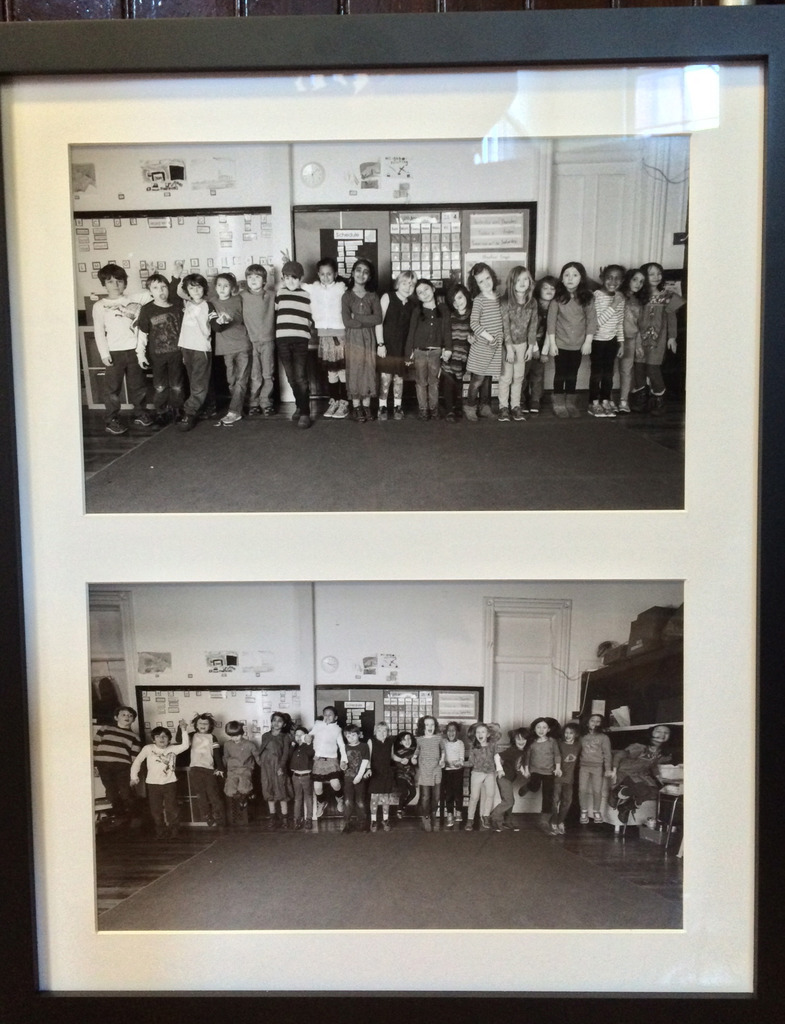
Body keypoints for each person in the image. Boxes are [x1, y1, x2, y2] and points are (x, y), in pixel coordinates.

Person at [92, 263, 155, 435]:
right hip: (114, 352)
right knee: (112, 390)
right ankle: (111, 419)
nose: (115, 285)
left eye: (119, 281)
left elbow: (152, 293)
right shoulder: (99, 306)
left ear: (125, 283)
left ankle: (140, 414)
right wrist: (104, 354)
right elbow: (99, 332)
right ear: (104, 284)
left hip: (134, 351)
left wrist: (152, 275)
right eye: (110, 281)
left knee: (138, 386)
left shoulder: (133, 298)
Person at [545, 261, 598, 418]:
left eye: (575, 275)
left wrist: (588, 342)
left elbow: (592, 320)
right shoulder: (557, 298)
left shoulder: (587, 298)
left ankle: (570, 402)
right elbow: (551, 322)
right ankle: (558, 403)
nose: (570, 278)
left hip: (578, 344)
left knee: (572, 374)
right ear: (562, 279)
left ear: (581, 278)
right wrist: (552, 344)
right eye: (566, 275)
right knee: (560, 373)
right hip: (560, 343)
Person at [135, 267, 184, 426]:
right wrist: (140, 355)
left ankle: (177, 410)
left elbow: (185, 331)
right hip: (157, 356)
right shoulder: (147, 309)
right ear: (150, 292)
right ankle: (161, 411)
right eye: (155, 288)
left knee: (177, 385)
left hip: (177, 354)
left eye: (163, 287)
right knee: (160, 386)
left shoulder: (177, 305)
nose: (161, 291)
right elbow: (142, 334)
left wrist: (186, 353)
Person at [630, 262, 679, 415]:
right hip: (639, 339)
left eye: (659, 273)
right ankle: (641, 398)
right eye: (651, 274)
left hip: (658, 340)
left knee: (652, 368)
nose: (656, 277)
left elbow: (672, 318)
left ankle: (659, 399)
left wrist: (672, 337)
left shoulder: (667, 296)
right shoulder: (637, 296)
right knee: (639, 367)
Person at [303, 257, 349, 419]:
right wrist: (288, 264)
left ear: (335, 274)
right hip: (324, 335)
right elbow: (297, 284)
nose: (325, 277)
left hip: (340, 334)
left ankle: (344, 402)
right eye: (322, 274)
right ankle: (334, 400)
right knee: (331, 371)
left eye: (329, 274)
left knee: (342, 370)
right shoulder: (314, 288)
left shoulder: (342, 288)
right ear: (318, 274)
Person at [129, 720, 190, 839]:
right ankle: (160, 831)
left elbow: (185, 745)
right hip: (153, 784)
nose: (161, 739)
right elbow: (137, 762)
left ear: (169, 739)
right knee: (156, 810)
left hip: (170, 783)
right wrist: (134, 777)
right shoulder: (148, 748)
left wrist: (183, 729)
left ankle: (174, 830)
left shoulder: (173, 749)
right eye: (158, 736)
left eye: (165, 736)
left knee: (172, 808)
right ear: (153, 740)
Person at [341, 258, 382, 422]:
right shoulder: (347, 296)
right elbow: (347, 322)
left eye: (366, 272)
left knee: (368, 368)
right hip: (353, 338)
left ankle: (367, 406)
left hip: (369, 338)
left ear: (369, 277)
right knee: (355, 369)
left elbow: (377, 319)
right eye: (358, 270)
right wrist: (366, 320)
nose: (361, 274)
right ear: (352, 273)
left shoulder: (373, 296)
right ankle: (357, 406)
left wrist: (356, 317)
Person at [275, 260, 314, 429]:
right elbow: (275, 313)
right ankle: (300, 405)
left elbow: (313, 317)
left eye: (294, 278)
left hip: (300, 341)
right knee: (291, 377)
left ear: (301, 278)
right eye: (287, 277)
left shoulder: (308, 295)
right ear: (283, 278)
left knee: (300, 377)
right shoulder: (280, 293)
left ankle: (305, 413)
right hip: (283, 340)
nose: (290, 281)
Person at [404, 279, 451, 420]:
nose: (424, 294)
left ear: (433, 289)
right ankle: (423, 409)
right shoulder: (417, 311)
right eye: (420, 292)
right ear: (417, 297)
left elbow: (447, 330)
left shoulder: (443, 309)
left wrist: (448, 348)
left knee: (434, 382)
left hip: (436, 352)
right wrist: (408, 353)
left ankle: (434, 409)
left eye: (426, 289)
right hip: (419, 352)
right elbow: (411, 332)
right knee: (420, 382)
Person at [609, 724, 674, 824]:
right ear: (651, 733)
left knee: (655, 793)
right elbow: (619, 755)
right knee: (643, 790)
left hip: (642, 775)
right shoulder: (639, 747)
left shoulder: (660, 752)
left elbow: (653, 765)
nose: (662, 734)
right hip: (626, 773)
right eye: (658, 731)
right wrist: (614, 771)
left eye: (666, 732)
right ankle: (616, 792)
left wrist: (658, 776)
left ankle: (626, 807)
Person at [465, 262, 505, 421]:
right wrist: (490, 338)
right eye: (481, 281)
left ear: (492, 277)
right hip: (482, 346)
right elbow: (474, 323)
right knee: (478, 379)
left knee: (488, 378)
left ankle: (485, 407)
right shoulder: (479, 300)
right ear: (476, 285)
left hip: (495, 346)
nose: (486, 283)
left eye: (487, 278)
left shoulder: (499, 298)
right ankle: (470, 406)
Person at [176, 272, 216, 432]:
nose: (196, 291)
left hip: (201, 348)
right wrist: (178, 276)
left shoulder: (208, 305)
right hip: (186, 347)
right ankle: (208, 407)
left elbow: (216, 324)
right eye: (192, 288)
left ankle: (190, 412)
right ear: (187, 291)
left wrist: (222, 321)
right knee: (195, 380)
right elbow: (175, 292)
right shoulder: (186, 303)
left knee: (199, 382)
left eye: (199, 287)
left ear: (204, 288)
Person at [211, 272, 252, 426]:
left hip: (242, 344)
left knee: (241, 380)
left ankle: (234, 411)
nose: (222, 288)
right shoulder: (212, 302)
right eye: (219, 285)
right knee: (231, 381)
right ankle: (239, 407)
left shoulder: (239, 299)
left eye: (226, 285)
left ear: (232, 288)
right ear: (215, 287)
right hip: (225, 348)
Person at [499, 266, 539, 422]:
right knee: (506, 377)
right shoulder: (505, 302)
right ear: (512, 282)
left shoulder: (532, 302)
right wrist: (509, 349)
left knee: (519, 377)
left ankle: (515, 406)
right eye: (518, 280)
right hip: (507, 346)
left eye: (525, 279)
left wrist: (530, 347)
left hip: (523, 345)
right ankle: (503, 407)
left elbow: (533, 326)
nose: (522, 283)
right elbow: (505, 327)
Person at [376, 269, 417, 421]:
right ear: (398, 283)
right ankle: (382, 406)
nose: (408, 287)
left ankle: (397, 406)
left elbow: (412, 330)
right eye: (405, 283)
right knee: (385, 377)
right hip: (387, 346)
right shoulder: (388, 297)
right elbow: (378, 322)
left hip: (402, 347)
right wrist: (380, 344)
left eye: (411, 284)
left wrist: (410, 350)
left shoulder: (412, 305)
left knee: (399, 378)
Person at [93, 705, 141, 826]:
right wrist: (93, 765)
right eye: (123, 715)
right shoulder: (105, 729)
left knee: (126, 792)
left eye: (130, 716)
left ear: (133, 720)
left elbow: (135, 757)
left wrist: (133, 775)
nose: (127, 717)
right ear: (116, 717)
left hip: (123, 767)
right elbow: (94, 745)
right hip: (103, 765)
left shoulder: (135, 737)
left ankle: (135, 817)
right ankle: (120, 816)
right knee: (111, 792)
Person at [588, 264, 625, 418]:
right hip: (597, 340)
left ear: (622, 281)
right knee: (597, 372)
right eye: (609, 277)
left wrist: (621, 343)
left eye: (617, 278)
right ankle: (593, 402)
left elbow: (620, 322)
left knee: (609, 373)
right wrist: (614, 304)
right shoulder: (595, 296)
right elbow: (596, 322)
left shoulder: (620, 297)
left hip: (612, 341)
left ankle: (605, 400)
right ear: (602, 278)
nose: (613, 282)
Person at [241, 264, 276, 418]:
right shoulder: (242, 296)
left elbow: (282, 287)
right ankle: (253, 403)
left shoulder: (270, 295)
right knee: (255, 375)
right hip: (251, 342)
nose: (253, 280)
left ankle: (266, 402)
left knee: (268, 374)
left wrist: (275, 272)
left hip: (268, 341)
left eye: (257, 277)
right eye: (250, 277)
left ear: (264, 281)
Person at [519, 717, 562, 829]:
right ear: (534, 729)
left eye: (544, 727)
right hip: (535, 770)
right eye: (538, 727)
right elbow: (527, 757)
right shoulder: (532, 742)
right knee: (535, 787)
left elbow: (557, 755)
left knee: (548, 796)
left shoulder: (552, 741)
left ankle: (544, 820)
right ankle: (528, 787)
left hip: (549, 772)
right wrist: (526, 769)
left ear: (548, 729)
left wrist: (558, 768)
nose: (541, 730)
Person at [184, 712, 225, 828]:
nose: (203, 725)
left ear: (210, 726)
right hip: (195, 769)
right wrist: (181, 728)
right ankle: (207, 816)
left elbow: (217, 754)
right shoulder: (191, 735)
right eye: (200, 723)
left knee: (213, 794)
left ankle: (218, 816)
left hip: (209, 769)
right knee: (201, 795)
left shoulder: (212, 737)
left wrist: (220, 768)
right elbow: (181, 741)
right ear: (196, 725)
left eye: (205, 723)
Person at [307, 706, 347, 823]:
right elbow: (308, 737)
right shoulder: (318, 726)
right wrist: (306, 737)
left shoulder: (337, 730)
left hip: (331, 759)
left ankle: (340, 798)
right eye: (325, 714)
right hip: (318, 760)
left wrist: (344, 760)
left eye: (330, 715)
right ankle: (321, 802)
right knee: (317, 787)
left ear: (336, 717)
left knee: (335, 783)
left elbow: (342, 746)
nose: (327, 717)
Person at [525, 275, 557, 414]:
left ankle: (535, 399)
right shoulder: (533, 305)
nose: (549, 291)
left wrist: (544, 352)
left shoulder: (554, 307)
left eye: (552, 288)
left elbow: (551, 331)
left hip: (543, 344)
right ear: (539, 289)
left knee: (538, 373)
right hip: (528, 343)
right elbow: (529, 329)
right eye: (545, 288)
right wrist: (534, 348)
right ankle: (521, 400)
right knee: (523, 373)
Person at [441, 285, 473, 422]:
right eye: (454, 301)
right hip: (450, 353)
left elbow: (475, 333)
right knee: (449, 380)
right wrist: (444, 349)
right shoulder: (450, 316)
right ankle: (450, 410)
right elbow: (445, 334)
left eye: (460, 297)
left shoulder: (473, 315)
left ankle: (458, 406)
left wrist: (472, 338)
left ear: (466, 296)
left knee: (459, 380)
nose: (458, 302)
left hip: (464, 354)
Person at [618, 268, 646, 414]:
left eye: (641, 281)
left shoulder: (639, 301)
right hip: (613, 338)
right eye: (635, 279)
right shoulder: (617, 295)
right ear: (627, 279)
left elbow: (640, 324)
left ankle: (623, 401)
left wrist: (639, 344)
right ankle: (604, 400)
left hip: (630, 339)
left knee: (626, 370)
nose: (638, 284)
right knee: (605, 371)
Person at [464, 721, 502, 831]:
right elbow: (471, 762)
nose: (480, 734)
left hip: (490, 773)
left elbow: (497, 757)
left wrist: (500, 769)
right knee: (474, 797)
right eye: (478, 732)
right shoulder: (473, 747)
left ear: (488, 734)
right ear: (475, 734)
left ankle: (485, 816)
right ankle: (470, 819)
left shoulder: (493, 745)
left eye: (483, 732)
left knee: (490, 794)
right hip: (477, 773)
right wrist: (461, 763)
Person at [259, 712, 293, 830]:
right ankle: (272, 818)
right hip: (266, 768)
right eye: (274, 720)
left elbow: (286, 754)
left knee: (282, 791)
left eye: (279, 721)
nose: (276, 723)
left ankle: (285, 819)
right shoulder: (265, 736)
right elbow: (261, 751)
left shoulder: (285, 737)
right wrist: (261, 763)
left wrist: (281, 767)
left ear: (284, 724)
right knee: (269, 791)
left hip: (279, 767)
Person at [490, 727, 527, 832]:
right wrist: (499, 769)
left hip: (509, 779)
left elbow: (519, 765)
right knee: (508, 801)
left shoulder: (523, 752)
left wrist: (525, 773)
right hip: (503, 778)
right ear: (514, 740)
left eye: (523, 739)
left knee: (510, 801)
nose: (521, 741)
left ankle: (507, 821)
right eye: (518, 739)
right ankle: (494, 817)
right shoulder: (512, 750)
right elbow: (497, 756)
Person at [222, 719, 260, 821]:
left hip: (245, 770)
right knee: (230, 790)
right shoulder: (227, 744)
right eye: (231, 736)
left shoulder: (250, 744)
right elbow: (225, 757)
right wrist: (222, 769)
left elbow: (257, 756)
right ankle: (244, 799)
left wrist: (262, 765)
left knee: (244, 788)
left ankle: (248, 795)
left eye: (237, 735)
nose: (234, 738)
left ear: (242, 733)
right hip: (232, 771)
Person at [578, 713, 613, 824]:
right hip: (584, 767)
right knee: (582, 790)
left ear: (601, 724)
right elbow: (577, 751)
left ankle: (596, 811)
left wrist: (608, 769)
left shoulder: (604, 737)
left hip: (598, 767)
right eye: (592, 720)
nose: (595, 723)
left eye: (598, 721)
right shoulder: (582, 736)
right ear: (587, 723)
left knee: (597, 790)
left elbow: (607, 754)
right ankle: (583, 811)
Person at [413, 715, 444, 832]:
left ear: (435, 726)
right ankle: (426, 817)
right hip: (425, 770)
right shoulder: (419, 739)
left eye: (432, 724)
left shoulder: (438, 738)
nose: (430, 727)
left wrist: (442, 760)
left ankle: (433, 815)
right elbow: (417, 750)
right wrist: (414, 757)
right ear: (423, 726)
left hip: (436, 770)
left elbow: (443, 750)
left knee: (436, 796)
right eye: (427, 725)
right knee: (425, 797)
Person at [550, 721, 580, 835]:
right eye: (566, 732)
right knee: (555, 800)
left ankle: (560, 821)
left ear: (576, 734)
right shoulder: (559, 743)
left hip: (569, 779)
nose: (568, 735)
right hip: (557, 778)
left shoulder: (578, 745)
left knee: (567, 801)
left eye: (571, 733)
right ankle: (553, 821)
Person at [367, 721, 397, 832]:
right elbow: (368, 757)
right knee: (374, 797)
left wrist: (403, 759)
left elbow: (393, 756)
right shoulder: (371, 741)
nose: (382, 733)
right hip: (375, 772)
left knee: (386, 798)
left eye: (384, 730)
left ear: (387, 732)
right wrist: (368, 768)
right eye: (379, 730)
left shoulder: (390, 742)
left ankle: (385, 819)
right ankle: (373, 820)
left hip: (386, 772)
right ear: (375, 731)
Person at [342, 723, 371, 833]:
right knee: (347, 801)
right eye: (348, 736)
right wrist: (342, 766)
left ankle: (363, 823)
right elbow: (343, 761)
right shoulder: (345, 747)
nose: (351, 738)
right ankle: (347, 823)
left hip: (360, 779)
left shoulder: (364, 746)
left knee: (360, 801)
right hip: (348, 778)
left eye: (353, 735)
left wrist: (359, 777)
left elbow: (365, 762)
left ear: (359, 734)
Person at [289, 724, 315, 831]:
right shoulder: (294, 747)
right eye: (297, 735)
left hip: (306, 776)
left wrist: (308, 742)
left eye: (301, 735)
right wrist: (292, 745)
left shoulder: (309, 746)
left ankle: (308, 819)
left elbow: (310, 754)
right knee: (297, 798)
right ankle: (297, 820)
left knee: (308, 797)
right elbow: (289, 756)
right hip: (295, 776)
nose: (299, 737)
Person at [440, 720, 466, 827]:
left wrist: (458, 763)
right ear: (446, 732)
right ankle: (450, 814)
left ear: (457, 732)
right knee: (449, 794)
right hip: (446, 772)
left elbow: (461, 759)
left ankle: (459, 812)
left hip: (457, 771)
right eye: (449, 730)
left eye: (453, 730)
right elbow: (441, 757)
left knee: (458, 792)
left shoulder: (460, 743)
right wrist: (445, 763)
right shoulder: (443, 742)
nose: (451, 733)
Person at [392, 730, 417, 819]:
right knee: (404, 791)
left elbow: (415, 761)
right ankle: (399, 809)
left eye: (409, 739)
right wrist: (402, 761)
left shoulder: (414, 750)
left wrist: (414, 761)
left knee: (413, 793)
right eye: (404, 739)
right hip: (400, 775)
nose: (407, 741)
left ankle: (403, 806)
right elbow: (395, 762)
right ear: (400, 742)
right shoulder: (398, 752)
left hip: (410, 775)